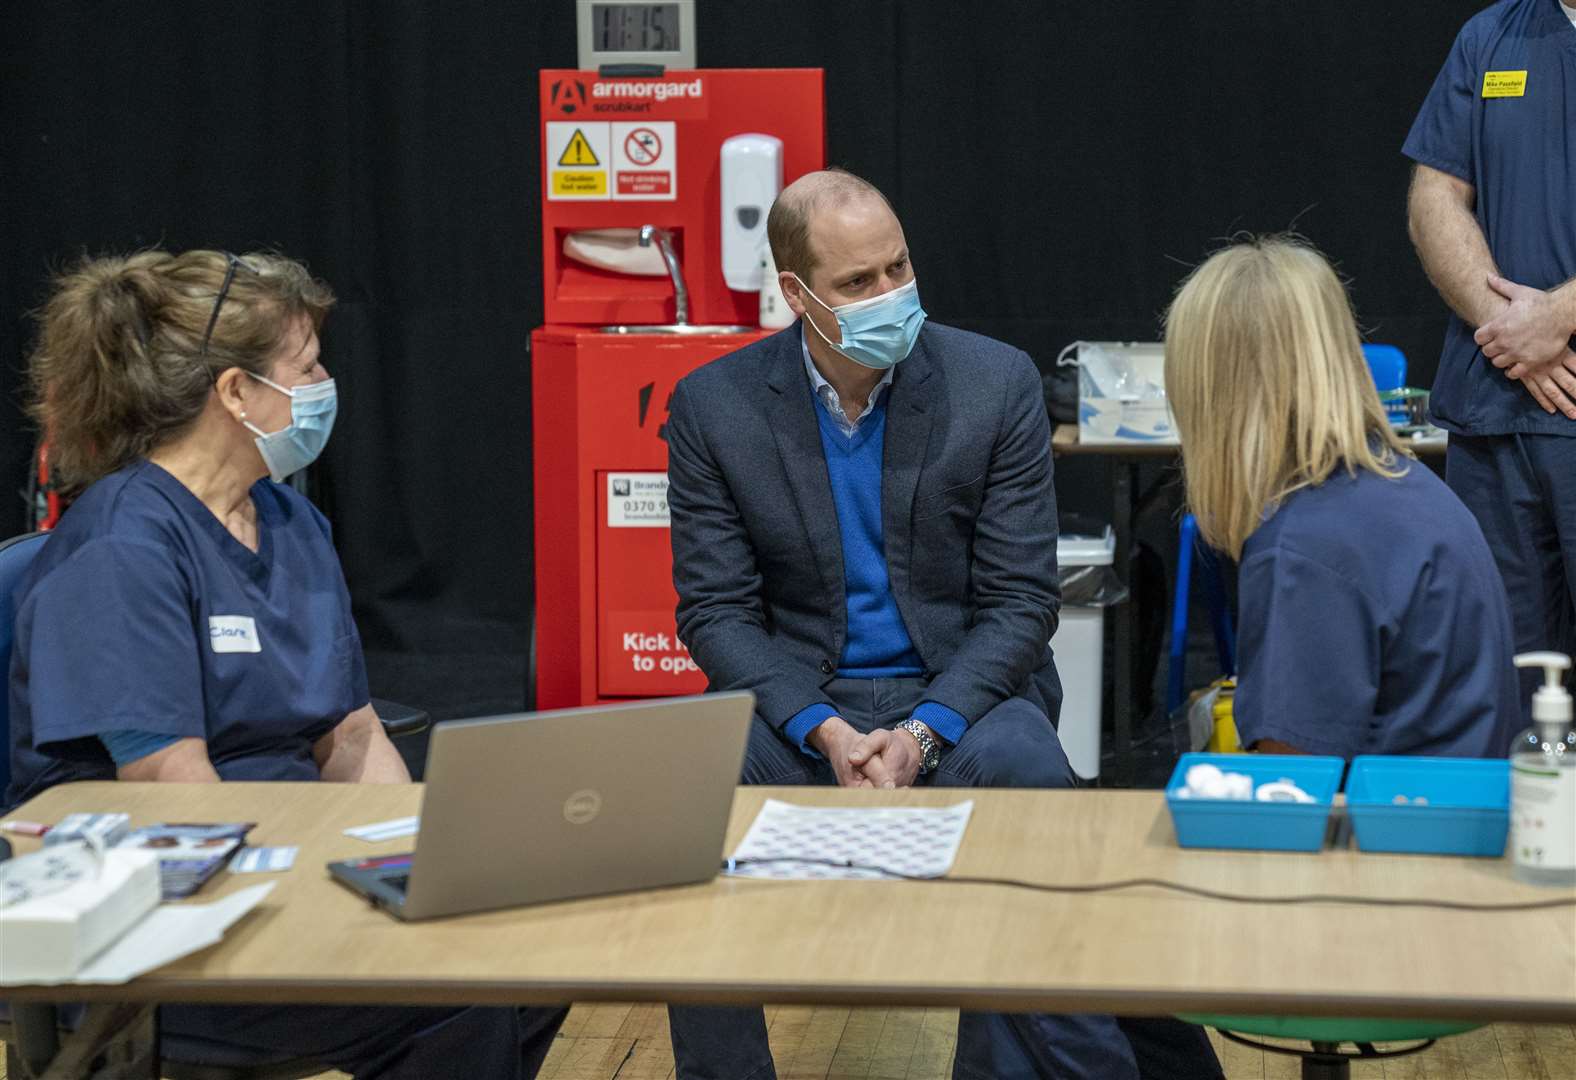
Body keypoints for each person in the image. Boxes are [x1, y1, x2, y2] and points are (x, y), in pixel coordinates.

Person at [664, 170, 1223, 1080]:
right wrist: (826, 729)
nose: (892, 296)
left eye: (900, 267)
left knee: (1033, 774)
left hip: (960, 692)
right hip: (802, 705)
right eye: (859, 283)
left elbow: (1020, 606)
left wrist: (922, 733)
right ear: (797, 294)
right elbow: (717, 613)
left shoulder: (992, 383)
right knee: (687, 791)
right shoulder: (714, 406)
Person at [5, 249, 566, 1079]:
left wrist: (418, 864)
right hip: (159, 912)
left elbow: (351, 731)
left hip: (295, 874)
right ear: (235, 392)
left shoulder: (292, 523)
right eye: (305, 367)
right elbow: (170, 795)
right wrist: (320, 904)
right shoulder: (123, 548)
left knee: (540, 949)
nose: (324, 384)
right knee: (462, 989)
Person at [1163, 236, 1519, 758]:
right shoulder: (1408, 485)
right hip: (1456, 815)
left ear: (1211, 393)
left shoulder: (1303, 547)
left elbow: (1290, 791)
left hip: (1388, 831)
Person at [1404, 0, 1576, 705]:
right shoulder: (1490, 36)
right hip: (1497, 420)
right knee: (1506, 683)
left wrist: (1561, 314)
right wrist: (1510, 328)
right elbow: (1434, 199)